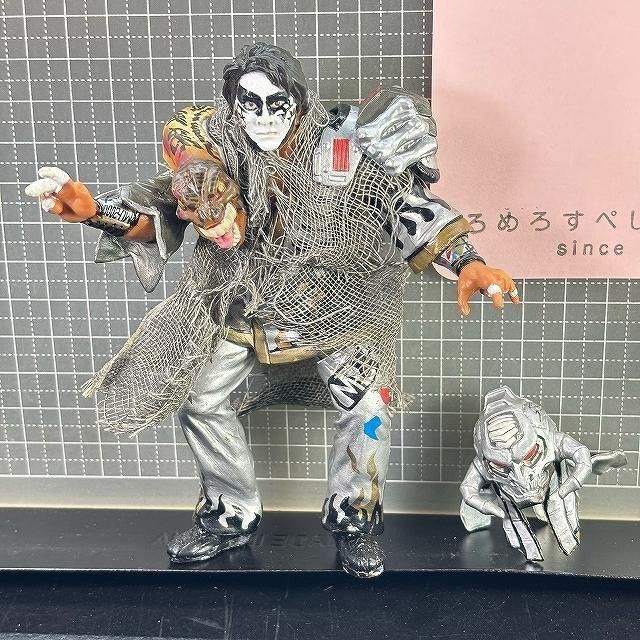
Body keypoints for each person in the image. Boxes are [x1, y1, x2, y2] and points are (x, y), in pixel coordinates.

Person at [25, 43, 518, 578]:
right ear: (232, 105)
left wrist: (466, 260)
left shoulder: (346, 146)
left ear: (298, 100)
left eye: (275, 103)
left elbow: (405, 205)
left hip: (339, 310)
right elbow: (161, 208)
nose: (262, 116)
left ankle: (354, 518)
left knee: (370, 405)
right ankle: (229, 513)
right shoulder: (215, 151)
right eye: (248, 104)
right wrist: (96, 212)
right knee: (197, 397)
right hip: (245, 311)